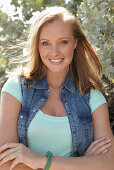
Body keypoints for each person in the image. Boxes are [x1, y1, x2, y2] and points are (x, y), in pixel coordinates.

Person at [0, 6, 113, 170]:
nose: (54, 52)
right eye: (45, 43)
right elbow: (5, 162)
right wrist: (83, 164)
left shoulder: (91, 97)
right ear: (37, 46)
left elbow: (109, 163)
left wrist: (41, 161)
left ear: (75, 42)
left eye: (63, 42)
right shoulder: (16, 89)